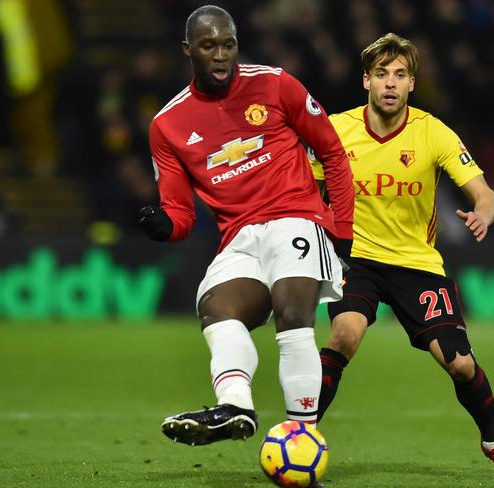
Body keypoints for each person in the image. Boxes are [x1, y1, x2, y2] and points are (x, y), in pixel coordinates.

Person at [310, 33, 494, 480]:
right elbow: (301, 183)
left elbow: (484, 193)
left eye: (399, 75)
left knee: (460, 364)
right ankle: (301, 432)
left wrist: (484, 215)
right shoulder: (336, 129)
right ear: (366, 81)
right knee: (344, 335)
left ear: (412, 83)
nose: (390, 84)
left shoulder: (433, 132)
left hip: (417, 262)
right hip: (356, 256)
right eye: (381, 75)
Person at [138, 5, 354, 448]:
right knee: (216, 308)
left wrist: (343, 231)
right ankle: (235, 406)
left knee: (294, 315)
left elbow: (332, 153)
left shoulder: (274, 84)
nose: (221, 55)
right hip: (239, 236)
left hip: (296, 215)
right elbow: (181, 212)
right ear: (187, 50)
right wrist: (165, 226)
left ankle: (302, 438)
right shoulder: (167, 125)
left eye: (228, 44)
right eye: (209, 46)